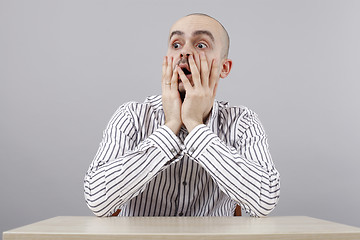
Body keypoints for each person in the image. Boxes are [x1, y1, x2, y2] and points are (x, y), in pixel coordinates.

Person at [84, 13, 280, 217]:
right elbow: (98, 201)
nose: (185, 52)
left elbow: (264, 202)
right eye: (176, 45)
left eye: (201, 45)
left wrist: (195, 125)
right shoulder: (132, 116)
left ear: (224, 68)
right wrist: (170, 126)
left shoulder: (242, 122)